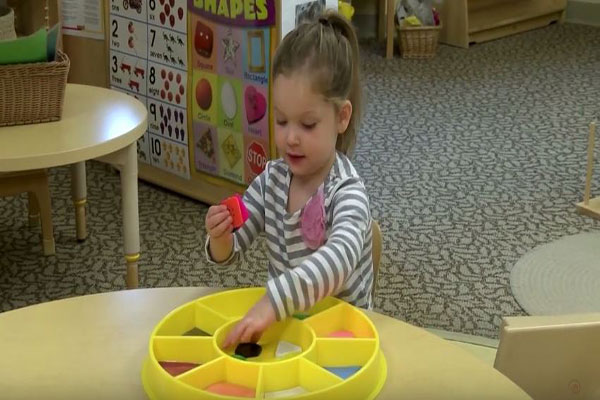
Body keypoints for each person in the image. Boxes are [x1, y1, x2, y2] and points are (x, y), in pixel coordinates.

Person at [205, 10, 373, 348]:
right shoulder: (272, 179)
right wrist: (220, 238)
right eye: (281, 121)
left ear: (341, 118)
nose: (291, 138)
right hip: (288, 331)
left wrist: (272, 301)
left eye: (307, 124)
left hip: (341, 339)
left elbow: (339, 260)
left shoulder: (347, 192)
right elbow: (233, 246)